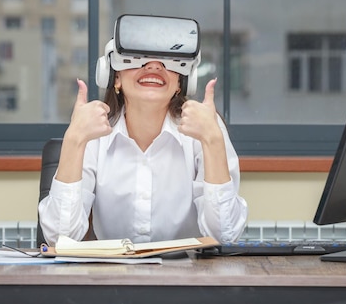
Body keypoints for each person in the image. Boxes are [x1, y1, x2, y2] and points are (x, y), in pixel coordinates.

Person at [38, 16, 248, 245]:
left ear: (182, 82)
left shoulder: (204, 128)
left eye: (168, 58)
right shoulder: (93, 135)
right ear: (114, 75)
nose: (154, 65)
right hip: (113, 277)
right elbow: (59, 239)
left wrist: (212, 140)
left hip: (190, 275)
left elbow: (225, 237)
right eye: (139, 56)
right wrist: (75, 139)